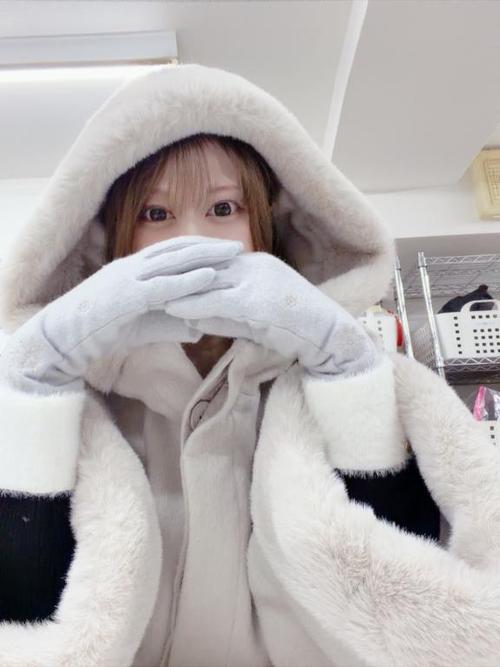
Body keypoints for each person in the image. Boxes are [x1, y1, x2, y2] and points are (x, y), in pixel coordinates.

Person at [0, 63, 498, 667]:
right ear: (115, 241)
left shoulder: (344, 376)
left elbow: (412, 612)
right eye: (155, 214)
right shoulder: (80, 403)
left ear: (263, 228)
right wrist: (36, 396)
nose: (193, 238)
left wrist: (347, 376)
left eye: (223, 207)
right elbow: (24, 616)